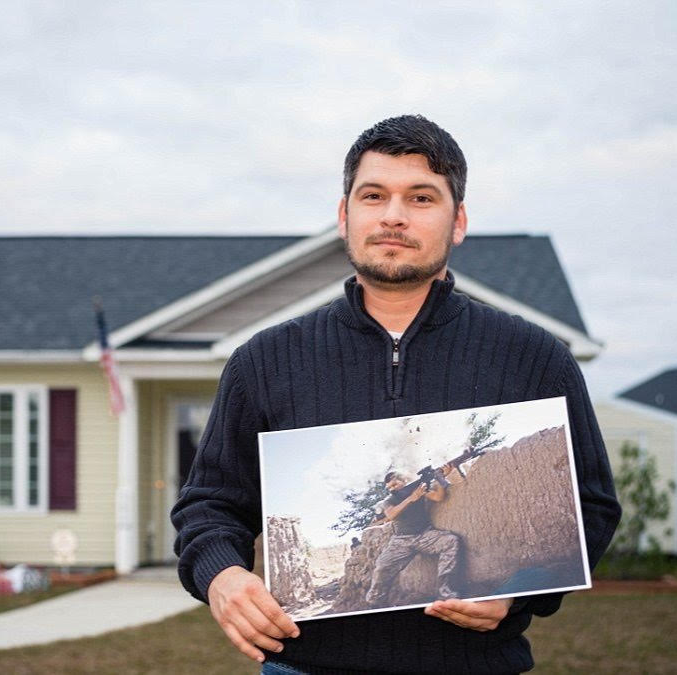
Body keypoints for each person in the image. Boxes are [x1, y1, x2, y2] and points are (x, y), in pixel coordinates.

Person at [171, 114, 621, 674]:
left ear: (457, 222)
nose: (393, 215)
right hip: (306, 666)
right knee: (380, 571)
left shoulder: (535, 356)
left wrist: (520, 592)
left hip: (476, 665)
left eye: (421, 198)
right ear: (344, 215)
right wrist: (222, 576)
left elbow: (592, 503)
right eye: (374, 195)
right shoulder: (263, 360)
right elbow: (209, 504)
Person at [366, 466, 463, 606]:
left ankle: (445, 592)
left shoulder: (418, 490)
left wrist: (440, 478)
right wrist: (411, 498)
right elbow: (391, 514)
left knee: (451, 541)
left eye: (395, 484)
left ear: (404, 481)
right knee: (382, 566)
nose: (392, 489)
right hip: (401, 541)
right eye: (389, 487)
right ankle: (375, 602)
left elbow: (438, 497)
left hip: (424, 535)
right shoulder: (389, 500)